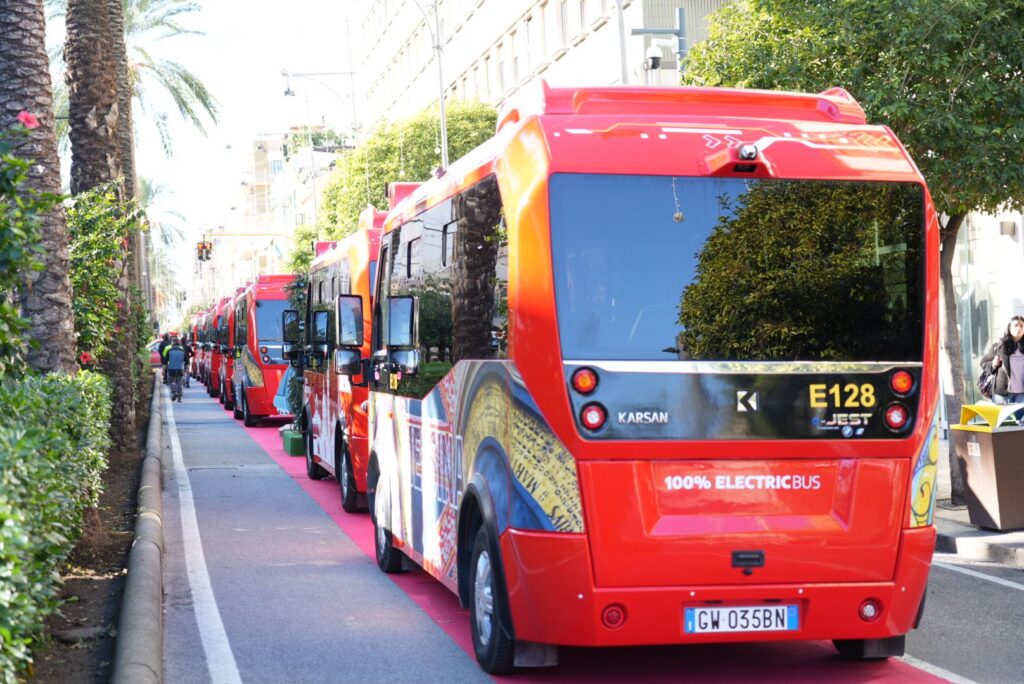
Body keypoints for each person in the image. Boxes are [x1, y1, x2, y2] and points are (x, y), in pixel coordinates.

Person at [981, 316, 1024, 404]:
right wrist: (993, 364)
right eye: (1016, 325)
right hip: (1002, 394)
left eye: (1021, 326)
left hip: (1022, 395)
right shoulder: (999, 346)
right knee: (1002, 414)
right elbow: (983, 363)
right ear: (1009, 327)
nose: (1019, 328)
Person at [163, 336, 187, 402]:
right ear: (179, 343)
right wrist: (186, 370)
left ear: (172, 343)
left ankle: (174, 391)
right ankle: (179, 398)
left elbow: (165, 362)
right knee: (179, 382)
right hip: (180, 369)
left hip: (171, 369)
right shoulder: (182, 351)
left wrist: (164, 370)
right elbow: (187, 361)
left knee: (171, 381)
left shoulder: (169, 351)